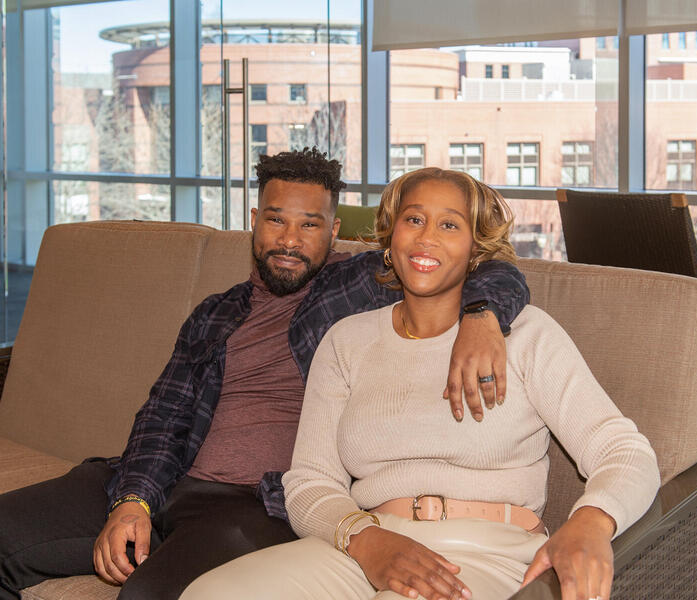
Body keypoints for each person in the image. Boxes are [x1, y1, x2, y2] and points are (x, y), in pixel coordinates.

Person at [0, 151, 531, 600]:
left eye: (310, 224)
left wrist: (483, 315)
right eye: (277, 219)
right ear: (254, 218)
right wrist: (133, 501)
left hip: (258, 507)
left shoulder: (368, 284)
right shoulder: (216, 312)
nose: (290, 240)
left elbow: (492, 264)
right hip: (167, 481)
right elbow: (163, 415)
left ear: (335, 230)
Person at [180, 167, 661, 600]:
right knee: (208, 593)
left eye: (450, 225)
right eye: (414, 220)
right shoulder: (346, 340)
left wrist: (591, 522)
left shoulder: (528, 335)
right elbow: (309, 482)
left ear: (476, 247)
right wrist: (366, 539)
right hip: (363, 546)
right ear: (389, 238)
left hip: (487, 554)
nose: (427, 238)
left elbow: (623, 450)